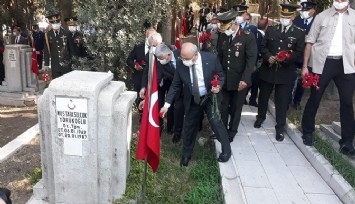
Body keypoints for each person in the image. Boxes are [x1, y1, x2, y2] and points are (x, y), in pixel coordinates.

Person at [160, 42, 232, 166]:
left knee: (216, 122)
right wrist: (166, 105)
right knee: (189, 127)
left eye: (186, 58)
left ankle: (226, 150)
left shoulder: (211, 59)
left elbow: (221, 75)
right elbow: (176, 84)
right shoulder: (181, 63)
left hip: (210, 96)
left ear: (196, 55)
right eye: (182, 57)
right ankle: (186, 155)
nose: (183, 60)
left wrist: (218, 86)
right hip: (193, 99)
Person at [301, 0, 355, 156]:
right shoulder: (322, 17)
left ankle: (346, 142)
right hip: (323, 63)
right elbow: (310, 41)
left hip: (346, 65)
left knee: (346, 102)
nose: (339, 1)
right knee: (315, 97)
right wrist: (305, 66)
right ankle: (308, 131)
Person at [254, 4, 305, 142]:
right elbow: (263, 47)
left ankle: (280, 128)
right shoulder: (271, 29)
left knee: (282, 101)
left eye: (287, 17)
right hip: (268, 69)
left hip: (285, 73)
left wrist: (286, 59)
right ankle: (260, 117)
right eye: (283, 16)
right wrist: (267, 56)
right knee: (263, 96)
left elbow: (299, 52)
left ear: (293, 17)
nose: (284, 19)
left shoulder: (299, 33)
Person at [217, 10, 258, 142]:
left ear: (234, 23)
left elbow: (251, 60)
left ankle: (232, 131)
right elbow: (220, 56)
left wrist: (245, 79)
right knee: (223, 107)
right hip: (225, 80)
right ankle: (222, 130)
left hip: (240, 81)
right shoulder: (223, 35)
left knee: (236, 108)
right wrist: (217, 76)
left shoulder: (248, 36)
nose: (225, 30)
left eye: (227, 26)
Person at [289, 1, 317, 109]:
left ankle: (297, 101)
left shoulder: (316, 22)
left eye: (307, 10)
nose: (304, 12)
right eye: (303, 10)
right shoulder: (296, 20)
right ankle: (288, 100)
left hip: (309, 56)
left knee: (303, 80)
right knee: (291, 79)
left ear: (313, 10)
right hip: (295, 55)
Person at [154, 43, 184, 143]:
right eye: (158, 58)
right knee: (178, 108)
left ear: (169, 54)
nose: (159, 60)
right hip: (174, 87)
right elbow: (158, 77)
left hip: (188, 86)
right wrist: (151, 93)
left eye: (161, 58)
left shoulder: (181, 54)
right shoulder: (160, 62)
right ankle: (176, 133)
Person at [43, 14, 72, 79]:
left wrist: (72, 60)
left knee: (66, 81)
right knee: (56, 81)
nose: (55, 24)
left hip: (66, 63)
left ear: (60, 23)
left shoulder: (66, 33)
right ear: (51, 24)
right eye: (53, 23)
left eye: (57, 22)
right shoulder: (47, 35)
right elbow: (46, 49)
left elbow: (70, 48)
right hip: (55, 63)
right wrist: (46, 63)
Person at [248, 19, 268, 107]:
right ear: (266, 26)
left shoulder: (257, 33)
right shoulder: (259, 35)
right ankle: (252, 99)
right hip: (257, 62)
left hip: (255, 62)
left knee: (253, 80)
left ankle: (251, 98)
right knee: (254, 81)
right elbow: (257, 49)